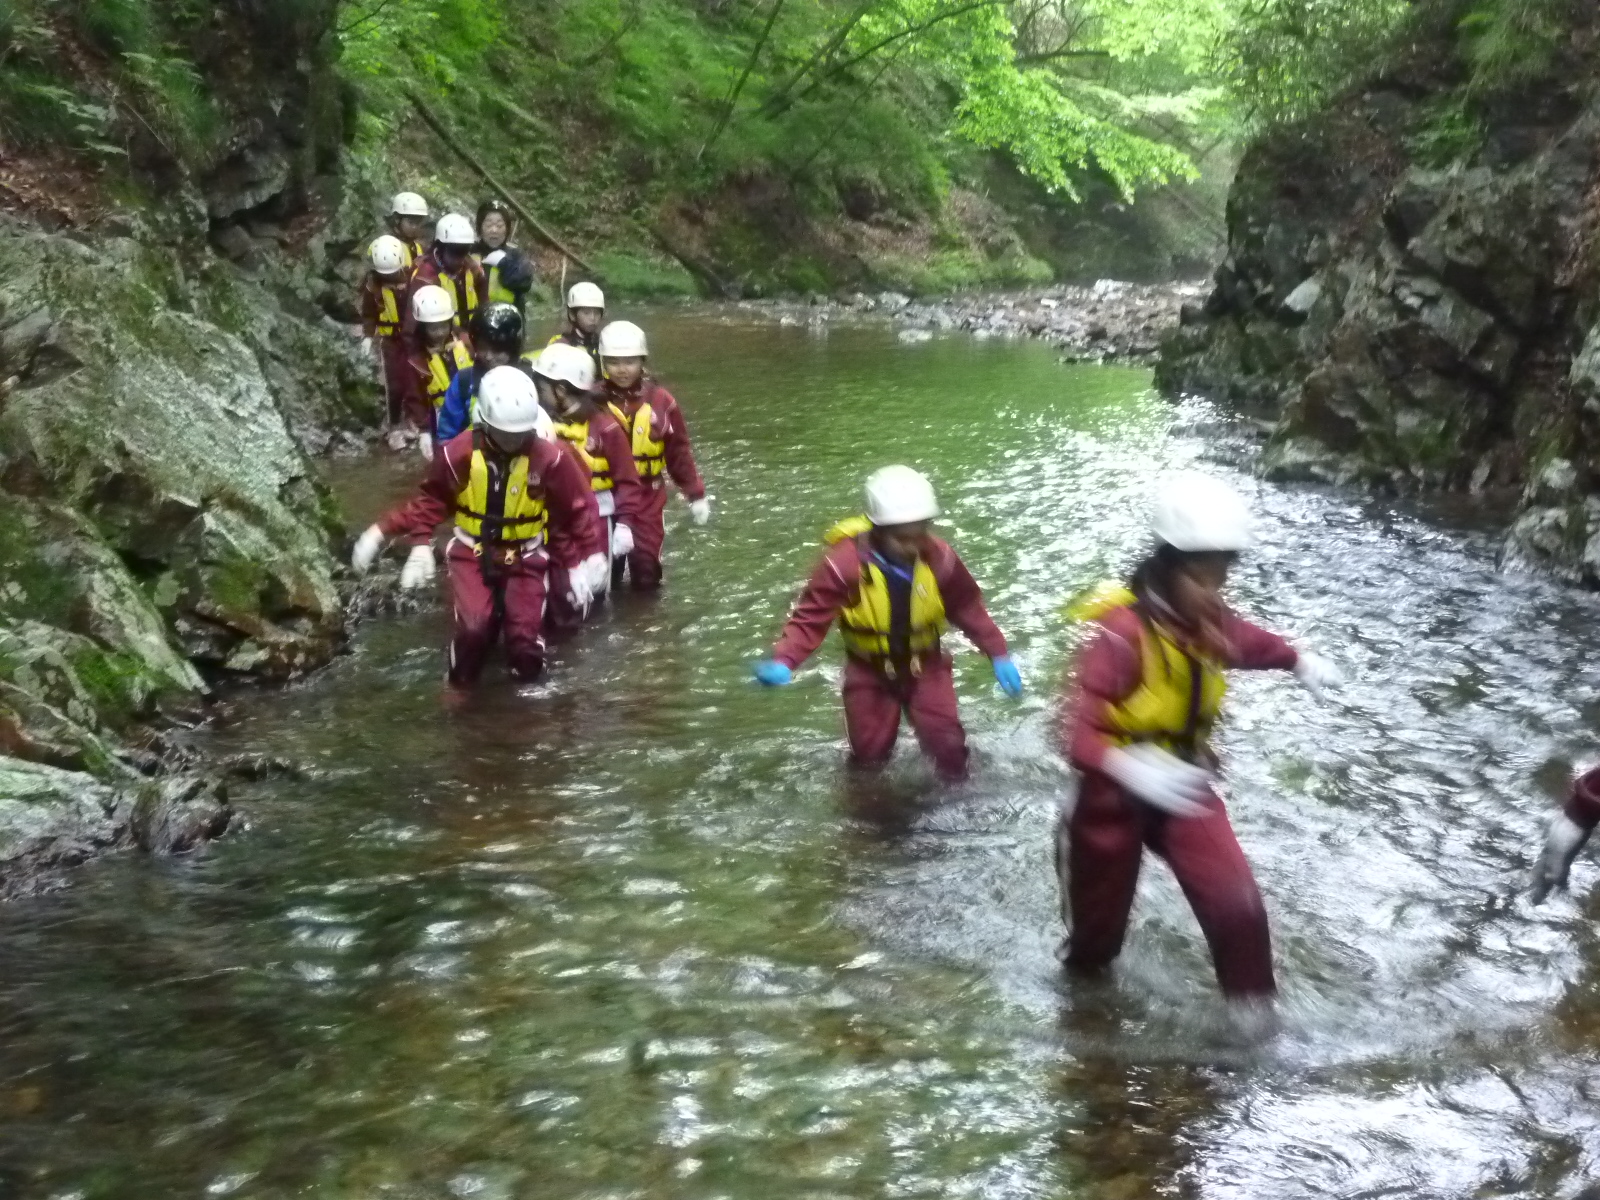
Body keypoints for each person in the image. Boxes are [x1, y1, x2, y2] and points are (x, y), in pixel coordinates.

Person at [1055, 473, 1342, 1015]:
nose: (1214, 592)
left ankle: (1253, 1025)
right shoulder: (1119, 636)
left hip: (1185, 783)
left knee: (1238, 905)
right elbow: (1073, 730)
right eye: (1202, 579)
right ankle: (1085, 1031)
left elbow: (1248, 642)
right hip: (1108, 797)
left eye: (1221, 578)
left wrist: (1296, 659)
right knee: (1095, 946)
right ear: (1165, 567)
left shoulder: (1209, 621)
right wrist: (1126, 764)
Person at [753, 466, 1022, 782]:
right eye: (903, 539)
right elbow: (810, 618)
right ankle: (870, 814)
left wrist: (998, 653)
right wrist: (785, 660)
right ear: (878, 531)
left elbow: (967, 607)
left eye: (921, 533)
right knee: (869, 757)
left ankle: (958, 806)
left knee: (947, 745)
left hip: (926, 665)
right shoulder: (844, 565)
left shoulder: (939, 558)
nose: (914, 546)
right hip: (869, 670)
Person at [350, 367, 601, 693]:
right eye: (505, 435)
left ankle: (527, 702)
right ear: (485, 423)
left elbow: (577, 509)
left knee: (525, 640)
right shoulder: (460, 453)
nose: (513, 443)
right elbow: (430, 502)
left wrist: (588, 558)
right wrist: (411, 541)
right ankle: (459, 687)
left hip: (526, 555)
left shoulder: (550, 458)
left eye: (520, 435)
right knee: (474, 630)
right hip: (472, 551)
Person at [597, 320, 709, 589]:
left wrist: (695, 493)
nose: (622, 369)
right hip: (606, 495)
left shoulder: (662, 401)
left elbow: (678, 450)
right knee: (604, 574)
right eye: (614, 362)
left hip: (648, 493)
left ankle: (643, 623)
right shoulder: (591, 402)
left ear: (642, 361)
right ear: (603, 363)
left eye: (630, 362)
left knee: (646, 570)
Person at [532, 342, 644, 603]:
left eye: (543, 386)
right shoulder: (545, 421)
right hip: (555, 518)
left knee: (597, 590)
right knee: (563, 591)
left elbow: (627, 479)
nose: (538, 392)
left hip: (599, 518)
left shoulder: (605, 427)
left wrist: (625, 524)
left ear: (561, 390)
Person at [401, 284, 474, 460]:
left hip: (470, 408)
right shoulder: (417, 361)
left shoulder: (464, 342)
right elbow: (415, 397)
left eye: (443, 326)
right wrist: (423, 431)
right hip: (440, 419)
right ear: (422, 327)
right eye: (433, 328)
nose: (439, 332)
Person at [436, 303, 525, 445]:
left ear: (512, 348)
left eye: (496, 350)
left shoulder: (529, 379)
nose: (488, 356)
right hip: (473, 458)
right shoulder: (464, 381)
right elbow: (447, 435)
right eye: (483, 348)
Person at [405, 213, 487, 338]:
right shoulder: (425, 276)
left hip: (472, 335)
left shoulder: (472, 269)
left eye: (465, 250)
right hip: (438, 339)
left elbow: (484, 303)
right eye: (455, 251)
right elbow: (412, 325)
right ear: (441, 247)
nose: (460, 258)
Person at [359, 234, 411, 427]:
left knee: (415, 379)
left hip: (411, 337)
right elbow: (369, 313)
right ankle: (395, 425)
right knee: (395, 385)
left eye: (392, 273)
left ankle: (415, 420)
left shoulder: (411, 279)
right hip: (390, 341)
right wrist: (367, 336)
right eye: (385, 274)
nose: (388, 277)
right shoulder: (373, 287)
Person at [1531, 768, 1600, 902]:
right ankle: (1545, 894)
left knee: (1558, 867)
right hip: (1564, 818)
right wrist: (1586, 794)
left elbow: (1581, 787)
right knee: (1546, 855)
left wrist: (1584, 793)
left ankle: (1543, 900)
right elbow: (1579, 783)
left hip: (1576, 829)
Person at [476, 199, 536, 313]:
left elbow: (524, 282)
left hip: (508, 319)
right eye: (488, 225)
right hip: (475, 320)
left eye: (499, 225)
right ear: (480, 227)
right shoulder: (468, 253)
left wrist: (504, 263)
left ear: (507, 229)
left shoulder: (515, 255)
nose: (494, 230)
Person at [551, 282, 605, 370]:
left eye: (597, 313)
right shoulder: (560, 343)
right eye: (586, 313)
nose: (593, 318)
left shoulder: (603, 342)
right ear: (572, 315)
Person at [376, 191, 429, 271]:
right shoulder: (384, 245)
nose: (414, 227)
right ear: (397, 219)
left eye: (418, 222)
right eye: (410, 222)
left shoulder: (416, 247)